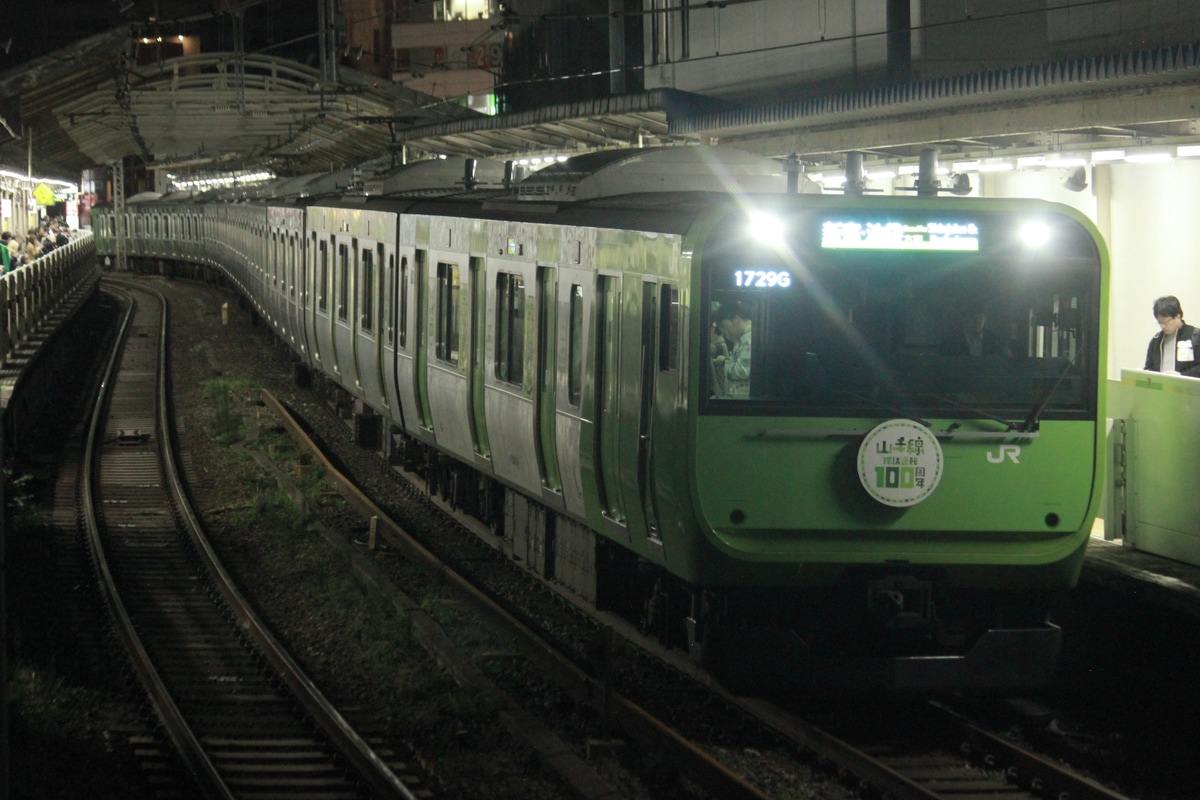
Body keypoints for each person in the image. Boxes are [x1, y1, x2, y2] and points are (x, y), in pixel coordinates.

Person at [1144, 295, 1200, 377]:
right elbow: (1148, 368)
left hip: (1187, 384)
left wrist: (1181, 375)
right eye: (1160, 322)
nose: (1163, 326)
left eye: (1166, 321)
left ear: (1178, 316)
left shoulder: (1195, 336)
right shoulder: (1156, 341)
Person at [713, 301, 752, 397]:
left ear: (735, 319)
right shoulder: (741, 338)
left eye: (726, 327)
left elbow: (743, 371)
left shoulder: (749, 339)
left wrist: (724, 363)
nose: (726, 333)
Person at [944, 300, 1010, 357]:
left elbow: (1006, 362)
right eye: (972, 315)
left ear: (985, 318)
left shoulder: (997, 341)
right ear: (963, 318)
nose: (977, 320)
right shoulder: (950, 343)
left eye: (981, 315)